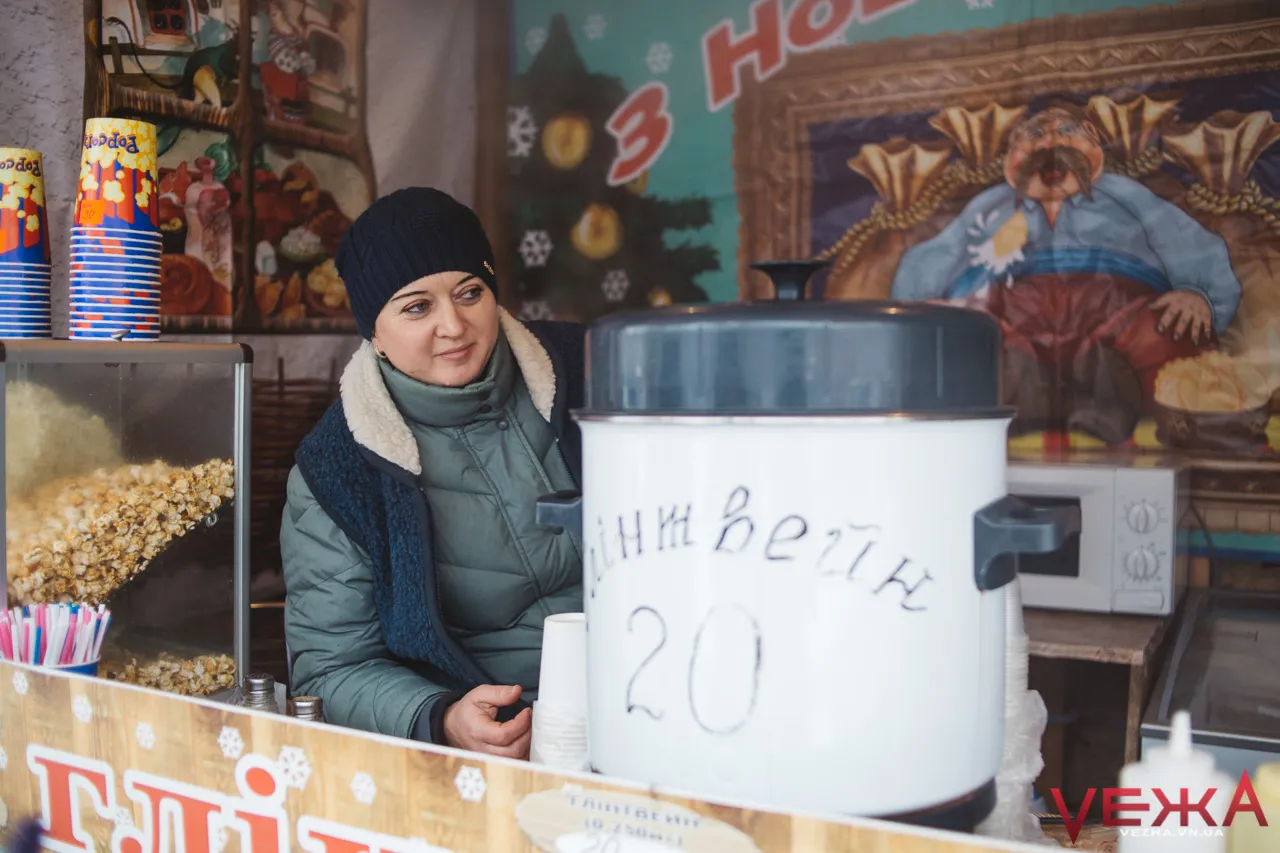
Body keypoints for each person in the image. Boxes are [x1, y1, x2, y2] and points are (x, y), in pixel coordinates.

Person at [281, 187, 584, 759]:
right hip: (507, 740)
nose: (454, 325)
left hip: (657, 687)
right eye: (417, 307)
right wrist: (441, 718)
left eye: (470, 293)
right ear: (374, 331)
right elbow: (331, 669)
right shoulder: (340, 469)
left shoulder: (587, 369)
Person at [890, 104, 1242, 442]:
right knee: (962, 340)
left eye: (1067, 132)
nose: (1050, 143)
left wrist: (1200, 294)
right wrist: (921, 308)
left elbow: (1181, 237)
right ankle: (1024, 394)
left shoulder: (1126, 195)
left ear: (1095, 152)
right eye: (1035, 136)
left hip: (1119, 311)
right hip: (1008, 318)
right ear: (1012, 162)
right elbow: (935, 257)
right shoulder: (989, 206)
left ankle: (1105, 395)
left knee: (1172, 329)